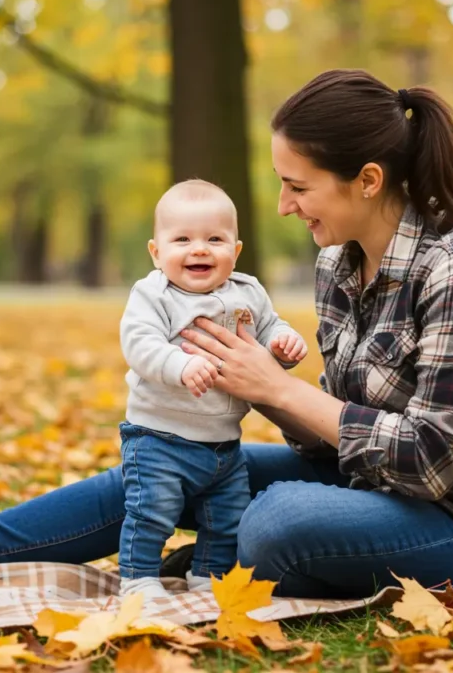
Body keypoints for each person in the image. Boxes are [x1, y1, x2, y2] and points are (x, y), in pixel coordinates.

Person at [0, 69, 453, 599]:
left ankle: (199, 564)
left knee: (274, 522)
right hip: (372, 486)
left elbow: (427, 462)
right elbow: (328, 441)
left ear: (366, 179)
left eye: (298, 185)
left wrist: (276, 385)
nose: (285, 205)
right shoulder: (340, 266)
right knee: (162, 463)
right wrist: (240, 380)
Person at [116, 179, 307, 598]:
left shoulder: (248, 291)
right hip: (158, 437)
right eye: (182, 238)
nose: (199, 249)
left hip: (224, 444)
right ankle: (138, 578)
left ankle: (208, 577)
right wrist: (181, 365)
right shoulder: (154, 295)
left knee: (227, 517)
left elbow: (270, 326)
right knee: (151, 511)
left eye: (215, 239)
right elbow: (139, 344)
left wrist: (284, 343)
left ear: (235, 250)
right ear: (156, 251)